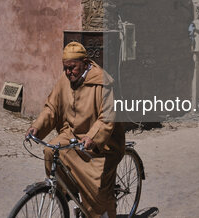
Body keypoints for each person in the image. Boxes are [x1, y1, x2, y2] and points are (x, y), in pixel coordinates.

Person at [26, 42, 125, 218]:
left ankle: (101, 211)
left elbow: (106, 118)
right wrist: (36, 127)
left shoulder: (103, 82)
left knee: (97, 187)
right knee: (51, 150)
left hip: (101, 144)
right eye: (65, 68)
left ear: (85, 62)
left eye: (73, 68)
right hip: (71, 136)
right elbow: (52, 108)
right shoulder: (65, 80)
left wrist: (92, 137)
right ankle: (64, 193)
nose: (68, 72)